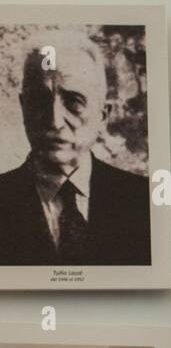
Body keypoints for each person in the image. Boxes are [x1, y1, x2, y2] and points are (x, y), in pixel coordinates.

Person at [0, 32, 151, 266]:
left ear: (103, 117)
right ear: (23, 108)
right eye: (39, 100)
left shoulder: (143, 203)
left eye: (74, 102)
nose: (55, 121)